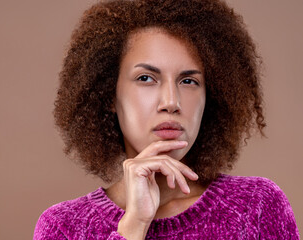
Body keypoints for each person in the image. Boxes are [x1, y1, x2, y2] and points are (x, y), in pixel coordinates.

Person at [34, 0, 300, 239]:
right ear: (108, 96)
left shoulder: (256, 206)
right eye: (146, 78)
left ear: (212, 96)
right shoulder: (63, 228)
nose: (171, 102)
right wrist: (133, 227)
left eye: (188, 81)